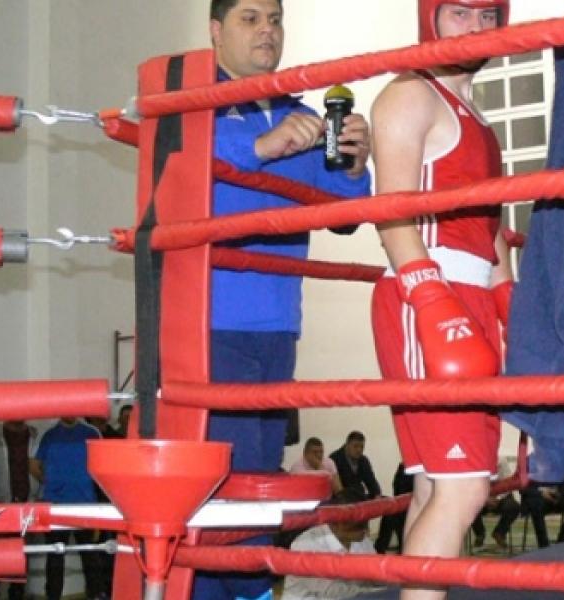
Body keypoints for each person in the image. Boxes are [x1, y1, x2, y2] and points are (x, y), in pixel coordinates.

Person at [202, 1, 371, 597]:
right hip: (210, 321)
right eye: (250, 18)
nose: (267, 30)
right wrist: (262, 147)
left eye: (274, 18)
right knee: (221, 479)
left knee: (260, 478)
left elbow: (344, 215)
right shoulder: (193, 104)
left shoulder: (302, 116)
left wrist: (354, 165)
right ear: (216, 31)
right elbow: (180, 173)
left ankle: (251, 590)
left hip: (278, 323)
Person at [370, 2, 511, 597]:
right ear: (431, 15)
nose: (475, 28)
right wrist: (430, 298)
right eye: (460, 12)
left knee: (435, 486)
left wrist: (506, 299)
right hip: (425, 292)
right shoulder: (410, 94)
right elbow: (390, 209)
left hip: (470, 295)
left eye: (487, 15)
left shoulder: (478, 118)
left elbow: (491, 228)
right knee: (464, 488)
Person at [32, 418, 106, 600]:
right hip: (56, 505)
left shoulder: (92, 432)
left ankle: (96, 594)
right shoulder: (49, 434)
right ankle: (53, 596)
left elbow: (103, 463)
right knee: (55, 555)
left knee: (90, 554)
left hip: (85, 505)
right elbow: (33, 464)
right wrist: (52, 483)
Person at [281, 490, 383, 600]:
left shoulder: (362, 540)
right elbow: (330, 591)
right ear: (335, 522)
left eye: (367, 523)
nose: (366, 530)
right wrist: (377, 593)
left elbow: (375, 574)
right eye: (359, 526)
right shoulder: (306, 545)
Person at [0, 420, 39, 600]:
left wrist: (36, 499)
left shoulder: (36, 437)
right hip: (0, 508)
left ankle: (17, 595)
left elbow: (43, 468)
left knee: (22, 557)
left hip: (26, 507)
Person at [518, 481, 564, 549]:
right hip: (537, 497)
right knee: (535, 504)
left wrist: (558, 494)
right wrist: (541, 493)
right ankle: (544, 546)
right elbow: (523, 488)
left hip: (555, 496)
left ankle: (563, 539)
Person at [469, 459, 520, 550]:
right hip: (481, 497)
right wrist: (485, 499)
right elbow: (471, 486)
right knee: (469, 507)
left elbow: (509, 482)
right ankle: (480, 534)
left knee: (514, 507)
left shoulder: (501, 461)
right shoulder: (475, 461)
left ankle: (499, 533)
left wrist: (498, 498)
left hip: (501, 496)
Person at [329, 431, 381, 500]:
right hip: (341, 499)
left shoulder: (363, 460)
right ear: (347, 445)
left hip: (359, 497)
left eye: (362, 447)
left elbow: (372, 481)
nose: (359, 450)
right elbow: (336, 489)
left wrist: (377, 495)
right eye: (355, 446)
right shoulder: (334, 459)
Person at [374, 462, 413, 554]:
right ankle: (380, 550)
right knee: (391, 511)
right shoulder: (405, 467)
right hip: (406, 505)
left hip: (421, 506)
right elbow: (398, 491)